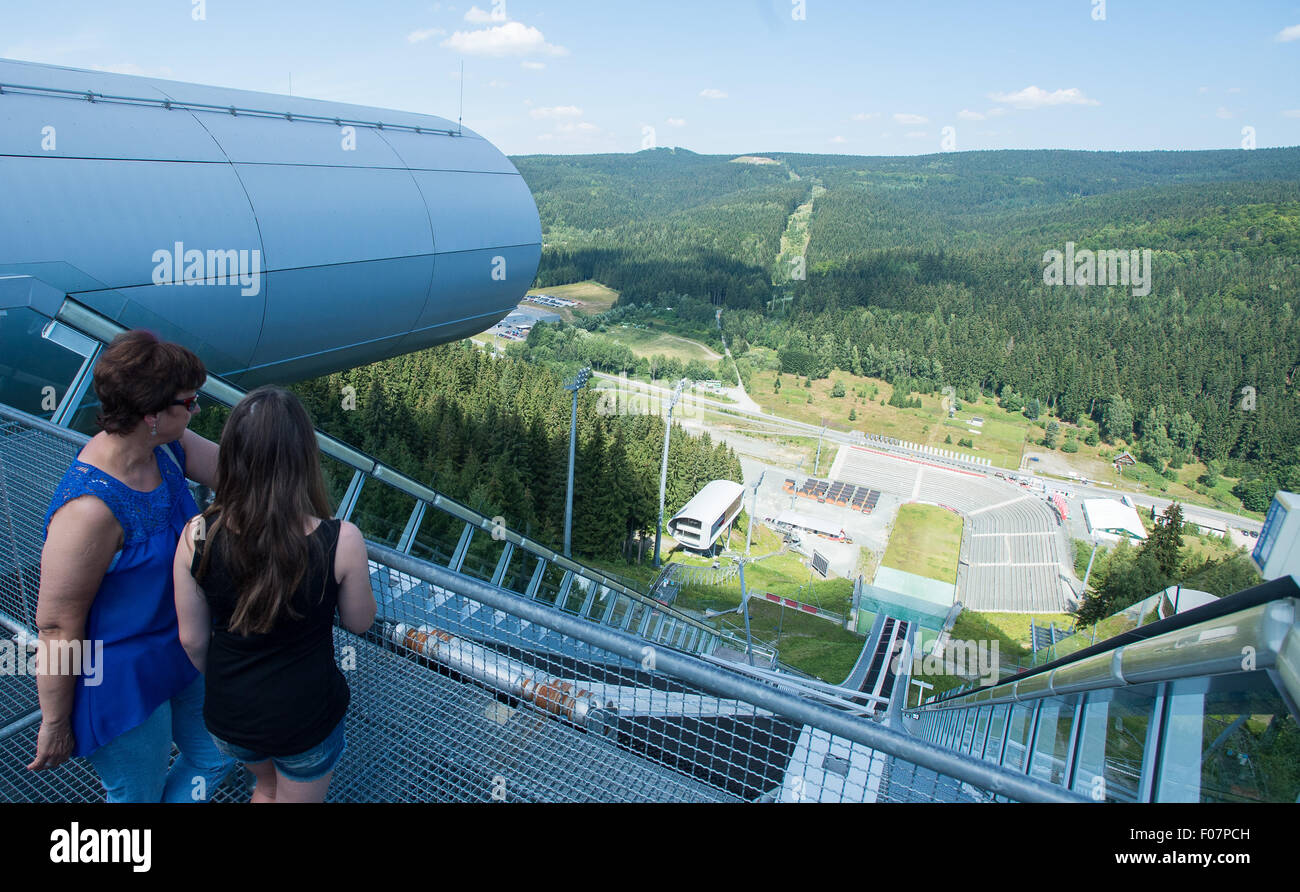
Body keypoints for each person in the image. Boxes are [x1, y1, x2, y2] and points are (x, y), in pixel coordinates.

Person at [28, 329, 236, 802]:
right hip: (118, 675)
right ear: (152, 415)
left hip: (180, 645)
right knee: (136, 798)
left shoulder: (164, 447)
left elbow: (237, 474)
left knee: (220, 753)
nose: (197, 409)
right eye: (190, 401)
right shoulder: (89, 512)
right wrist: (56, 723)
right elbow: (57, 627)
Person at [174, 386, 374, 803]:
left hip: (230, 716)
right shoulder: (342, 540)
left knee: (265, 787)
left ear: (232, 452)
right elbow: (359, 621)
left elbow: (192, 640)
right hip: (305, 719)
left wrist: (232, 683)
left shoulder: (197, 535)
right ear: (303, 457)